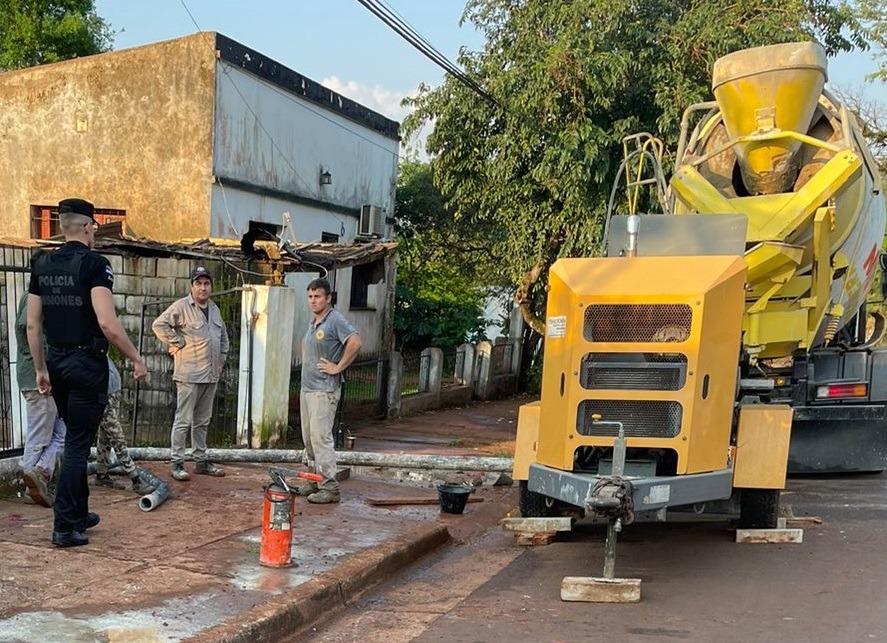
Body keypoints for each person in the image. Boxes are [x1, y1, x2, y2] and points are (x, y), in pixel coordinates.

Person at [27, 197, 148, 548]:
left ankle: (78, 513)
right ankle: (64, 526)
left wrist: (40, 368)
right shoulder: (95, 264)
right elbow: (107, 323)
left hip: (56, 363)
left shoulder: (42, 264)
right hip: (86, 365)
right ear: (88, 226)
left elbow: (33, 325)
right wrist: (136, 358)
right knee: (79, 445)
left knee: (75, 439)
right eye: (94, 227)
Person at [152, 266, 228, 481]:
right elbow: (159, 325)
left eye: (206, 284)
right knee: (183, 420)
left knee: (202, 421)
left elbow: (223, 338)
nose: (203, 288)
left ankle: (200, 461)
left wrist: (221, 361)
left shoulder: (214, 309)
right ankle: (177, 462)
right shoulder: (181, 307)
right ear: (191, 287)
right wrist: (178, 341)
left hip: (210, 376)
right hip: (189, 375)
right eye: (199, 284)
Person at [297, 277, 361, 504]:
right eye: (310, 297)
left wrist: (338, 367)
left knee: (321, 438)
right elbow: (306, 344)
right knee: (309, 439)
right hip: (308, 388)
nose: (313, 301)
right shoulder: (314, 321)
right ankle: (314, 480)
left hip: (324, 390)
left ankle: (330, 487)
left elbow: (355, 342)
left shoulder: (335, 320)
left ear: (328, 298)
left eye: (317, 297)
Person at [15, 292, 66, 507]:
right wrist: (43, 368)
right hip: (39, 379)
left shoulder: (29, 297)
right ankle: (35, 481)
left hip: (34, 377)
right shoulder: (36, 298)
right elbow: (30, 328)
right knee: (41, 436)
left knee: (60, 433)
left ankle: (38, 475)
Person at [93, 358, 156, 495]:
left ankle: (101, 474)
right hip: (101, 395)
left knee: (106, 435)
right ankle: (135, 478)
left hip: (112, 391)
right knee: (117, 437)